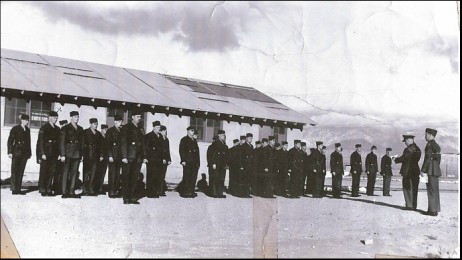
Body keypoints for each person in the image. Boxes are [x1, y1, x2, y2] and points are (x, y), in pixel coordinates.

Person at [120, 110, 147, 204]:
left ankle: (132, 197)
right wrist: (124, 156)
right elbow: (123, 143)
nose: (139, 118)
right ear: (132, 117)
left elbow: (143, 144)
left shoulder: (140, 128)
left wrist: (144, 156)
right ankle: (126, 198)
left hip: (138, 158)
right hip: (128, 157)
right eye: (137, 116)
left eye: (140, 116)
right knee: (126, 177)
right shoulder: (126, 127)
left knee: (134, 178)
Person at [60, 111, 84, 199]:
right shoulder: (65, 128)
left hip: (77, 153)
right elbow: (62, 142)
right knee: (66, 173)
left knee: (74, 173)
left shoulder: (80, 129)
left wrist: (81, 155)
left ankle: (72, 191)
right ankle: (64, 192)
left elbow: (82, 143)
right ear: (71, 118)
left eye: (78, 117)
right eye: (75, 117)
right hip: (67, 153)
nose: (77, 118)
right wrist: (62, 154)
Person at [394, 135, 421, 211]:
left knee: (407, 188)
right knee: (414, 189)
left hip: (408, 171)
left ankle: (409, 205)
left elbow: (403, 158)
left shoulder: (408, 149)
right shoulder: (418, 149)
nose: (405, 143)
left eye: (405, 141)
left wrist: (395, 159)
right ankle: (414, 205)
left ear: (410, 140)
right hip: (415, 170)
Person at [7, 114, 31, 195]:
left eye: (27, 120)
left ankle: (18, 188)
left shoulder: (27, 130)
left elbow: (28, 142)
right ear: (21, 120)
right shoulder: (15, 128)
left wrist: (29, 153)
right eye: (25, 120)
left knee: (21, 171)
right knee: (14, 170)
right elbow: (10, 140)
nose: (26, 122)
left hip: (24, 153)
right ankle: (14, 189)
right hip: (16, 152)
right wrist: (10, 152)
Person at [37, 111, 59, 196]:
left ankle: (48, 189)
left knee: (51, 172)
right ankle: (42, 189)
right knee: (44, 171)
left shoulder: (57, 129)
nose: (55, 120)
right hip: (46, 152)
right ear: (49, 118)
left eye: (56, 118)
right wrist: (42, 153)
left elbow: (58, 142)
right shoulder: (44, 127)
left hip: (54, 153)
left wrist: (59, 154)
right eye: (54, 118)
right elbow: (40, 142)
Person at [421, 128, 441, 216]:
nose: (425, 136)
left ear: (430, 135)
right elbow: (438, 159)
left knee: (431, 190)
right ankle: (435, 209)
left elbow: (427, 159)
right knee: (435, 190)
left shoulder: (429, 145)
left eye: (426, 134)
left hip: (430, 169)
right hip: (435, 169)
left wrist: (423, 170)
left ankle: (432, 210)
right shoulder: (436, 145)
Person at [82, 118, 103, 196]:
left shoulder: (98, 133)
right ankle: (84, 189)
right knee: (86, 172)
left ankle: (91, 189)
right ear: (90, 124)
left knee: (93, 173)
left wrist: (101, 155)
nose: (96, 125)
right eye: (94, 124)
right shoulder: (85, 132)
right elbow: (83, 144)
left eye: (97, 124)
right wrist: (83, 154)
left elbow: (101, 145)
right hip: (87, 154)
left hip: (95, 155)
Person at [179, 126, 200, 198]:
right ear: (187, 131)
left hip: (194, 162)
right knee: (187, 177)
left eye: (193, 131)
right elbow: (181, 150)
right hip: (187, 162)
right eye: (191, 130)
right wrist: (183, 160)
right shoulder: (184, 140)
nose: (193, 132)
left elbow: (197, 153)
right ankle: (184, 192)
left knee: (193, 177)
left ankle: (191, 191)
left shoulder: (194, 140)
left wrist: (198, 163)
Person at [207, 130, 228, 198]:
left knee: (221, 179)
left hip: (222, 165)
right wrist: (213, 163)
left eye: (224, 135)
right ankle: (214, 193)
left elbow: (226, 156)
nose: (223, 136)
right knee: (215, 178)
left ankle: (220, 193)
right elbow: (212, 154)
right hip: (216, 164)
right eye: (222, 135)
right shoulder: (215, 144)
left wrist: (226, 164)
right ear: (218, 135)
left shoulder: (224, 144)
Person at [145, 121, 163, 198]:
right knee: (151, 176)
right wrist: (145, 157)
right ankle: (150, 193)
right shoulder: (149, 136)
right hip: (151, 159)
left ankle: (155, 191)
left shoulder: (160, 136)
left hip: (158, 160)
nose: (158, 129)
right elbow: (146, 148)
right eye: (157, 127)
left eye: (159, 127)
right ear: (154, 127)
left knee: (157, 176)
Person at [106, 115, 123, 198]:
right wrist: (110, 155)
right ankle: (111, 191)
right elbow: (108, 144)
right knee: (112, 174)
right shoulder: (110, 131)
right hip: (112, 155)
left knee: (117, 174)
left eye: (121, 121)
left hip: (119, 156)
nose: (120, 123)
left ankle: (116, 190)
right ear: (115, 121)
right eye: (119, 121)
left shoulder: (121, 131)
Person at [52, 119, 68, 195]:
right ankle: (55, 188)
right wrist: (59, 154)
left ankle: (61, 188)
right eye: (64, 125)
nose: (65, 126)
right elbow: (58, 144)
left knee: (63, 173)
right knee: (56, 173)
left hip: (63, 155)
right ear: (61, 125)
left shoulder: (65, 132)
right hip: (58, 155)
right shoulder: (59, 132)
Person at [236, 133, 254, 198]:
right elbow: (240, 156)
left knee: (248, 180)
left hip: (250, 166)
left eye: (251, 138)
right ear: (246, 138)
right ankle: (243, 193)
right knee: (244, 180)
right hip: (244, 165)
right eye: (249, 138)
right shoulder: (243, 146)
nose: (251, 139)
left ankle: (247, 193)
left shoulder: (251, 146)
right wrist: (241, 165)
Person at [95, 124, 108, 195]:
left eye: (107, 129)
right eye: (105, 129)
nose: (106, 131)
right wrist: (101, 155)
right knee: (98, 174)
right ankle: (96, 188)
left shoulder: (106, 137)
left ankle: (100, 188)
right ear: (102, 130)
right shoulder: (99, 137)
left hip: (105, 158)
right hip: (100, 158)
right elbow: (98, 148)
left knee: (103, 173)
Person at [159, 125, 172, 196]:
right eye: (163, 131)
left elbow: (168, 150)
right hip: (160, 160)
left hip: (165, 160)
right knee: (159, 175)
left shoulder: (166, 139)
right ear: (160, 131)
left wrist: (169, 159)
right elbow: (159, 151)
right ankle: (159, 191)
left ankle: (161, 190)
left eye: (165, 131)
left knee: (163, 175)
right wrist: (162, 159)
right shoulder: (159, 139)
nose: (165, 132)